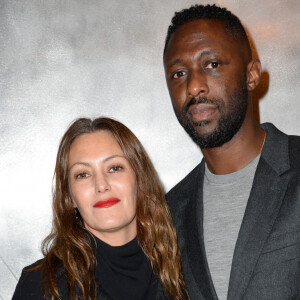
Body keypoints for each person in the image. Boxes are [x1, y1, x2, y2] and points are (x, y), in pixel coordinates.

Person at [163, 4, 300, 300]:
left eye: (212, 64)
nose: (194, 86)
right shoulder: (169, 213)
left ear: (251, 75)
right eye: (179, 73)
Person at [12, 117, 188, 300]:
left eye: (114, 168)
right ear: (69, 196)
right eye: (83, 174)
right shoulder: (40, 285)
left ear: (140, 180)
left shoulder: (188, 265)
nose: (101, 185)